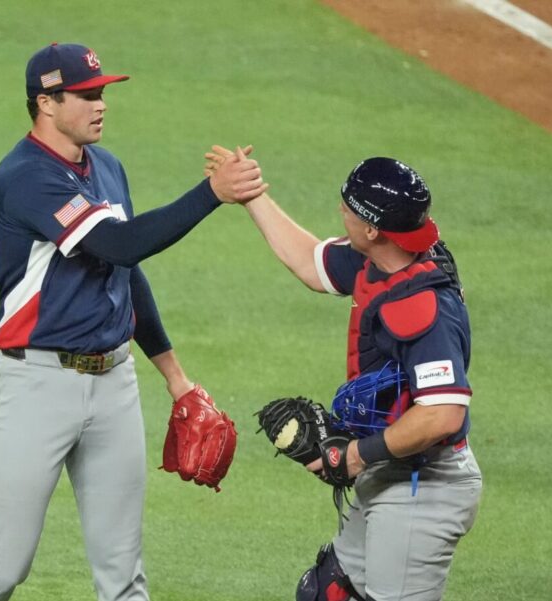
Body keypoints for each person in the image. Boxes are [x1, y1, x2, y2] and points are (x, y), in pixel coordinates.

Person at [0, 44, 266, 601]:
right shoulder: (25, 178)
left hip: (114, 386)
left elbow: (126, 271)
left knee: (124, 576)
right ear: (46, 102)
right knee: (1, 568)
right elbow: (120, 242)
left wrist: (176, 377)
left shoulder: (109, 168)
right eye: (87, 94)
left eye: (103, 93)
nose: (101, 105)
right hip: (37, 387)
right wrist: (212, 193)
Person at [206, 149, 482, 601]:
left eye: (348, 207)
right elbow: (311, 263)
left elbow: (443, 415)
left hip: (424, 488)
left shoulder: (420, 307)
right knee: (328, 592)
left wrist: (356, 454)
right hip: (394, 469)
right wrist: (249, 194)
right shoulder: (384, 257)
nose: (340, 211)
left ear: (373, 228)